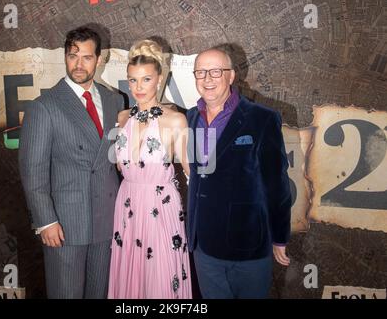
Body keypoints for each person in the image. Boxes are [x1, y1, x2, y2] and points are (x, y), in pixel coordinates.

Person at [19, 26, 124, 299]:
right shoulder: (44, 106)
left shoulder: (114, 100)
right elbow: (33, 172)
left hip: (107, 219)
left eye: (87, 57)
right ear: (65, 57)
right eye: (72, 56)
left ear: (99, 59)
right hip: (64, 224)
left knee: (99, 294)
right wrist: (46, 221)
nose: (78, 64)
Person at [186, 46, 292, 299]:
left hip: (248, 245)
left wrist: (279, 237)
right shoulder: (189, 118)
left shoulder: (262, 119)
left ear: (231, 76)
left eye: (215, 71)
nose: (207, 79)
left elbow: (276, 184)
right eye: (200, 72)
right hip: (203, 245)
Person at [108, 39, 192, 299]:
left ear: (159, 79)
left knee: (161, 280)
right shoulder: (122, 119)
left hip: (161, 207)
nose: (138, 87)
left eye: (146, 79)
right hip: (127, 206)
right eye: (133, 80)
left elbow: (194, 175)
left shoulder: (176, 120)